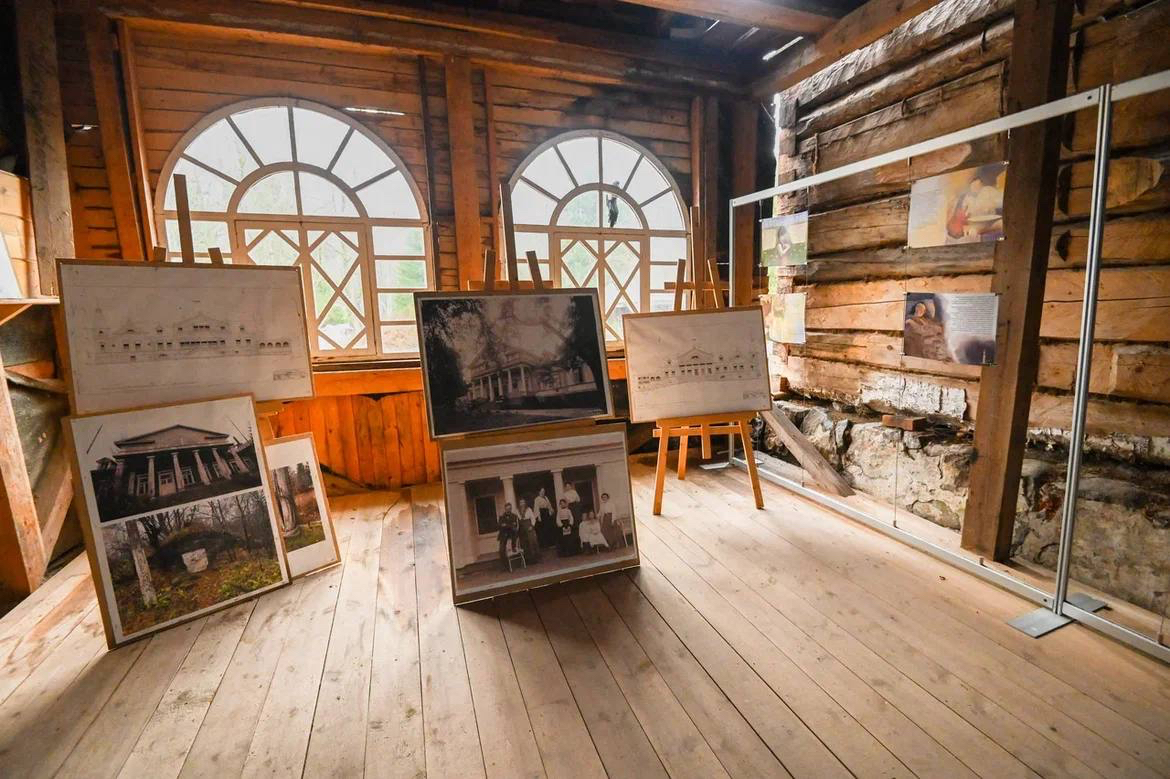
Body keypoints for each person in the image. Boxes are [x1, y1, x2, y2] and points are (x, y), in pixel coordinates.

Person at [497, 502, 520, 569]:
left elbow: (515, 526)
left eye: (509, 509)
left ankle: (515, 564)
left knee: (514, 549)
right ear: (505, 509)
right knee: (501, 550)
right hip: (503, 535)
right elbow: (500, 526)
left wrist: (506, 525)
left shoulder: (514, 516)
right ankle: (505, 565)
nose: (508, 510)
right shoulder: (502, 517)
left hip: (512, 535)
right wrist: (509, 526)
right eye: (507, 509)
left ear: (511, 509)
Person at [518, 499, 540, 563]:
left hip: (528, 525)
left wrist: (532, 526)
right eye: (521, 502)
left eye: (523, 502)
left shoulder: (529, 509)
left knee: (532, 541)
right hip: (522, 527)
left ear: (525, 503)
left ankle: (535, 558)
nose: (522, 504)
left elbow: (533, 518)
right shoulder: (517, 510)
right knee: (524, 543)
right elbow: (517, 520)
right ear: (519, 503)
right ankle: (527, 559)